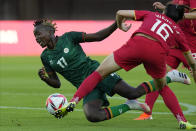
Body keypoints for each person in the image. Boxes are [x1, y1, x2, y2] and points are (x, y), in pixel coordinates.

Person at [56, 4, 196, 129]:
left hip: (137, 44)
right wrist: (193, 69)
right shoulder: (178, 31)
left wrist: (120, 25)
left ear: (163, 13)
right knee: (162, 86)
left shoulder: (152, 14)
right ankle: (182, 120)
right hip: (157, 52)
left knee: (98, 73)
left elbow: (120, 12)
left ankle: (73, 101)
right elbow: (191, 60)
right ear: (180, 19)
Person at [34, 19, 182, 122]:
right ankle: (129, 105)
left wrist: (116, 24)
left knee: (133, 92)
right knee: (92, 115)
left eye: (39, 34)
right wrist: (46, 78)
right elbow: (57, 84)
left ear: (51, 31)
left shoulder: (69, 37)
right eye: (35, 37)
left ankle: (170, 76)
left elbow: (98, 37)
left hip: (98, 73)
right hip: (86, 87)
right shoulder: (45, 57)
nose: (37, 38)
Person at [135, 0, 196, 125]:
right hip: (174, 45)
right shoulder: (176, 1)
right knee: (158, 77)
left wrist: (178, 14)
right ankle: (147, 113)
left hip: (191, 46)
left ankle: (175, 74)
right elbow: (171, 14)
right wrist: (165, 8)